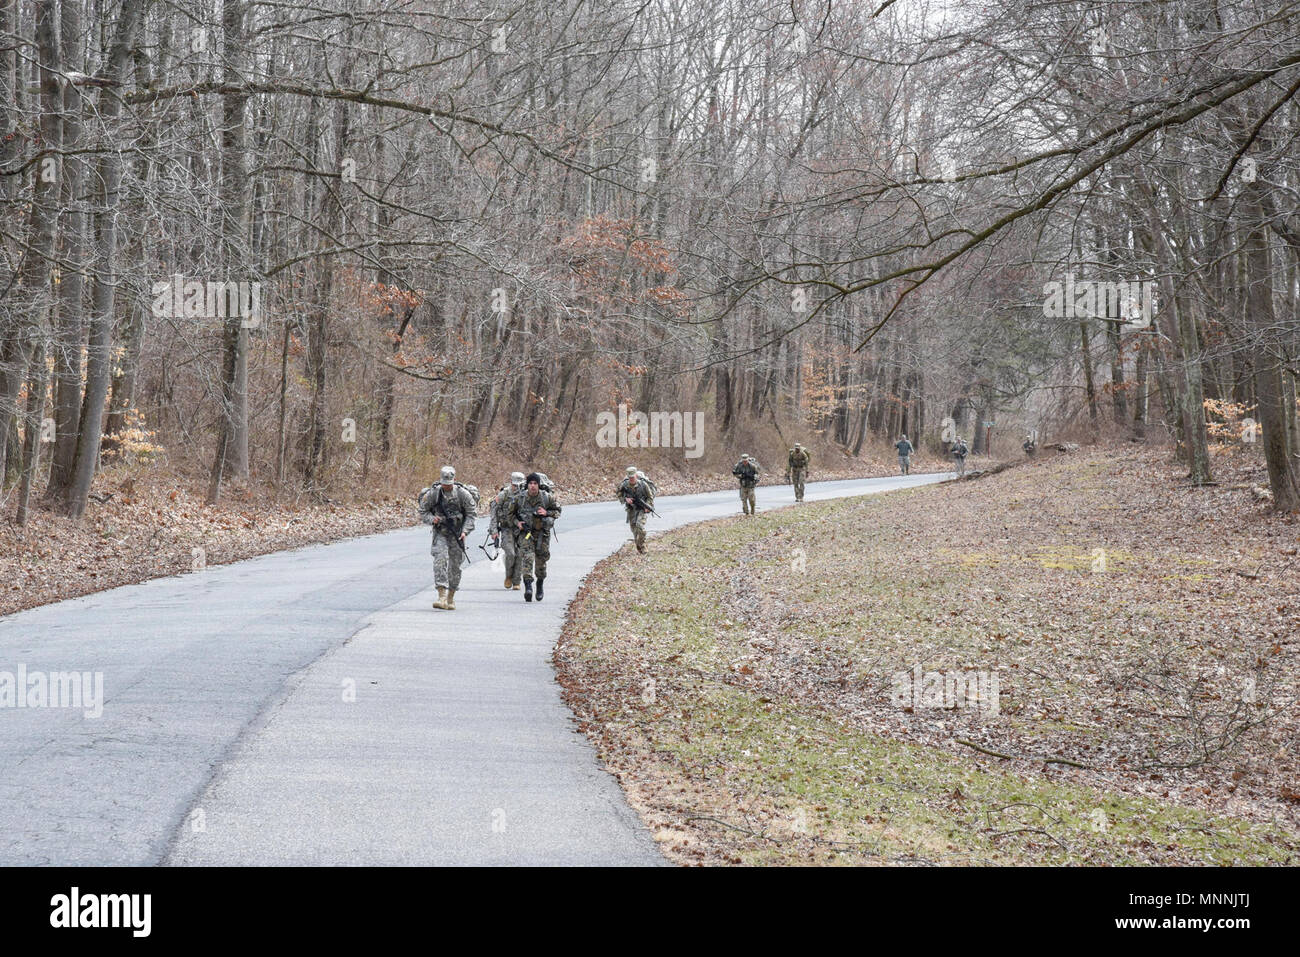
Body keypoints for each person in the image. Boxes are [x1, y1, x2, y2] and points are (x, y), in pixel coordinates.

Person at [417, 466, 476, 610]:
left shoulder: (463, 494)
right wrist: (433, 519)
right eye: (444, 483)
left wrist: (465, 531)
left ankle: (451, 597)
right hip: (441, 532)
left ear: (453, 481)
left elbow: (471, 514)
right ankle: (441, 595)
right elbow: (423, 511)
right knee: (440, 560)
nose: (446, 486)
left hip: (457, 534)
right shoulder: (434, 494)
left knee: (455, 566)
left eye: (449, 484)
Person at [508, 472, 561, 602]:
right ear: (527, 485)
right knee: (527, 558)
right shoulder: (519, 498)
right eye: (530, 483)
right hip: (525, 534)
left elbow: (558, 511)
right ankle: (528, 587)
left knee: (541, 561)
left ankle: (539, 585)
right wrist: (517, 523)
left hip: (542, 534)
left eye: (535, 483)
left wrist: (547, 512)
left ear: (539, 485)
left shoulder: (546, 498)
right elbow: (509, 514)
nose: (532, 486)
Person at [488, 471, 525, 589]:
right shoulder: (503, 495)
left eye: (519, 485)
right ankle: (509, 576)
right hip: (506, 528)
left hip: (521, 529)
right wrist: (493, 530)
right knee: (510, 553)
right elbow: (493, 512)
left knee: (519, 554)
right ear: (511, 483)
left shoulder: (525, 495)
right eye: (515, 485)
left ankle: (517, 581)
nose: (517, 488)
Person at [618, 466, 655, 553]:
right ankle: (639, 547)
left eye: (633, 477)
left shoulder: (643, 485)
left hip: (642, 509)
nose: (631, 479)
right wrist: (625, 499)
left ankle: (642, 545)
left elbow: (650, 497)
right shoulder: (624, 485)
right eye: (630, 478)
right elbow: (619, 494)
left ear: (636, 476)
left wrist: (648, 506)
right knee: (634, 530)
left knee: (639, 526)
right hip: (631, 510)